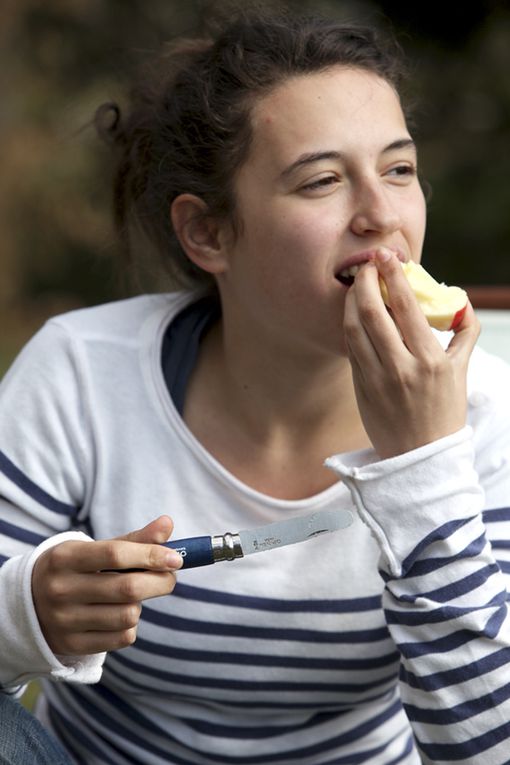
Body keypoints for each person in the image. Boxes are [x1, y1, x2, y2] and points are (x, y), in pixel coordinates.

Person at [1, 7, 509, 765]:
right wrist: (27, 609)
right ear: (208, 232)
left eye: (399, 169)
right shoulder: (83, 371)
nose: (381, 216)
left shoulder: (480, 410)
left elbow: (488, 747)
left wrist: (421, 463)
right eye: (323, 181)